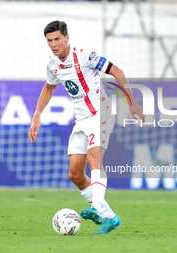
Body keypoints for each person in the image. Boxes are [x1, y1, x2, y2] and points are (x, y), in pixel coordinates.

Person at [29, 20, 144, 234]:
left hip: (101, 113)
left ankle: (97, 207)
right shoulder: (53, 64)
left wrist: (131, 101)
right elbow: (49, 87)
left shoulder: (85, 56)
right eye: (49, 41)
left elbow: (116, 70)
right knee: (75, 174)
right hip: (81, 120)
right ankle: (110, 218)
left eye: (57, 39)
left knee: (94, 159)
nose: (53, 44)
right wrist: (37, 114)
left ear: (66, 38)